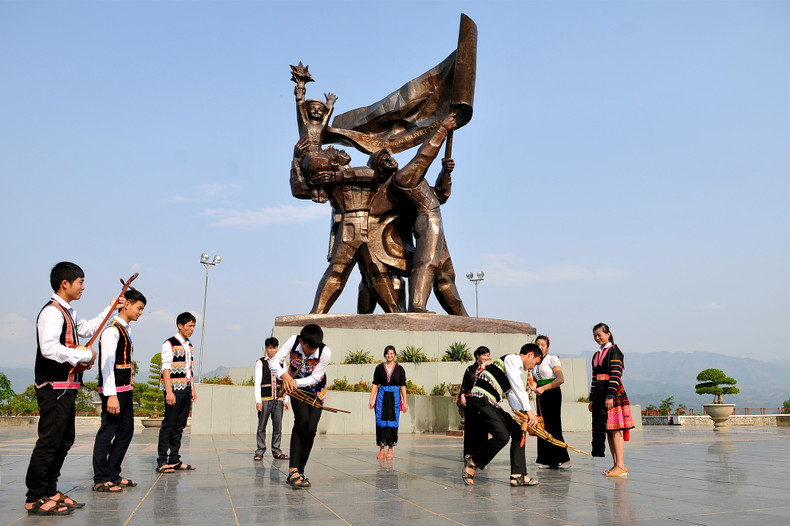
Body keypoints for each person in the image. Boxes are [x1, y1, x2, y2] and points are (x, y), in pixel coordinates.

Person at [25, 261, 125, 515]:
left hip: (67, 386)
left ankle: (50, 489)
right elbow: (48, 348)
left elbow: (88, 329)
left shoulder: (68, 312)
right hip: (53, 386)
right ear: (65, 283)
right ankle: (34, 495)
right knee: (50, 441)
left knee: (64, 440)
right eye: (80, 282)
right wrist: (81, 355)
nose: (83, 287)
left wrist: (112, 307)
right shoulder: (52, 312)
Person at [462, 343, 543, 487]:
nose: (532, 367)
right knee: (502, 436)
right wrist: (529, 411)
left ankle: (517, 475)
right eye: (535, 363)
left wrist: (523, 413)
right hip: (481, 400)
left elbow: (512, 394)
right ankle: (473, 462)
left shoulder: (514, 370)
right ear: (530, 354)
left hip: (490, 403)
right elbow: (518, 387)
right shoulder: (512, 359)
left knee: (518, 433)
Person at [92, 289, 146, 492]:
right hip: (114, 392)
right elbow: (107, 366)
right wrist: (111, 395)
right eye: (139, 308)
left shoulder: (126, 330)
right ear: (127, 304)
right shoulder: (111, 331)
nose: (140, 312)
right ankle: (100, 478)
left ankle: (113, 473)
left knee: (126, 431)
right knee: (107, 432)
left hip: (125, 389)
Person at [269, 324, 332, 488]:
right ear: (302, 341)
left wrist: (294, 381)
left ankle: (300, 470)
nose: (311, 351)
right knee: (301, 422)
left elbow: (316, 378)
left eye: (314, 348)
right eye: (308, 347)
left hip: (316, 391)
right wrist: (284, 376)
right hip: (295, 390)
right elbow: (274, 361)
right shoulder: (293, 341)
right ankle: (292, 470)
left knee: (311, 429)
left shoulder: (325, 352)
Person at [588, 323, 635, 477]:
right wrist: (592, 399)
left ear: (608, 334)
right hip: (600, 394)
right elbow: (594, 378)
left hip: (612, 393)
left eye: (599, 335)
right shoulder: (597, 354)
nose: (597, 338)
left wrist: (610, 395)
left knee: (615, 430)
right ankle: (616, 464)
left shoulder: (614, 351)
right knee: (608, 430)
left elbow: (616, 374)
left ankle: (621, 465)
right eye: (595, 335)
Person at [156, 312, 198, 473]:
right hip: (173, 389)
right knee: (169, 425)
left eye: (193, 326)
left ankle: (174, 459)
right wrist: (169, 391)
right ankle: (161, 461)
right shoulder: (169, 344)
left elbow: (190, 369)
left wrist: (192, 388)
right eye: (189, 326)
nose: (192, 329)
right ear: (180, 326)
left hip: (186, 388)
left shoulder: (189, 345)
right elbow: (165, 368)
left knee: (180, 425)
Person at [528, 335, 571, 469]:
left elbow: (560, 379)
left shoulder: (552, 359)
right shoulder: (535, 362)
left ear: (547, 347)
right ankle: (547, 459)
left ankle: (565, 460)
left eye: (543, 345)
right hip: (540, 394)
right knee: (542, 425)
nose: (540, 347)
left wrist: (544, 388)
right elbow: (535, 379)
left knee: (554, 425)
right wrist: (534, 385)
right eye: (538, 344)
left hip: (552, 393)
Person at [368, 345, 408, 459]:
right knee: (380, 424)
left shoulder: (400, 369)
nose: (389, 355)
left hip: (394, 397)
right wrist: (371, 399)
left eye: (391, 353)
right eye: (387, 353)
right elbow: (375, 384)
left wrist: (405, 402)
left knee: (392, 424)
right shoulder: (379, 368)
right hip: (382, 397)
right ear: (385, 355)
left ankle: (390, 449)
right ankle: (381, 449)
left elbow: (403, 386)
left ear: (395, 355)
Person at [253, 337, 290, 461]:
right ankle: (260, 451)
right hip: (265, 398)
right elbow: (257, 382)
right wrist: (258, 400)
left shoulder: (282, 362)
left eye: (274, 348)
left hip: (279, 398)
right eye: (270, 348)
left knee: (277, 426)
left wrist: (286, 399)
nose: (272, 350)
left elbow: (286, 381)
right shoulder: (261, 362)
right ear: (266, 348)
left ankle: (276, 450)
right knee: (261, 426)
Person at [458, 346, 490, 457]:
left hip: (483, 401)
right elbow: (464, 385)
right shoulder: (470, 369)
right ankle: (469, 453)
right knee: (470, 427)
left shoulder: (489, 370)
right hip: (470, 401)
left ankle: (481, 454)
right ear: (478, 356)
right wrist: (462, 396)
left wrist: (485, 369)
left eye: (488, 356)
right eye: (484, 355)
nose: (486, 358)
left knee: (482, 427)